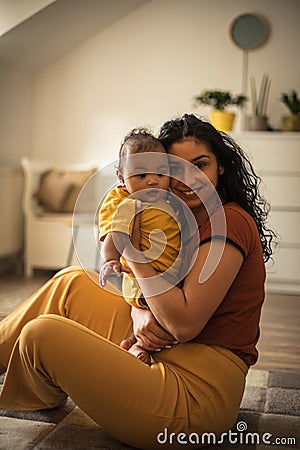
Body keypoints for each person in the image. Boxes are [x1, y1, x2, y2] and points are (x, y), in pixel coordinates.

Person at [0, 113, 276, 450]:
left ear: (221, 167)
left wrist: (131, 249)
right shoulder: (180, 217)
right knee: (70, 282)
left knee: (41, 333)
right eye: (173, 169)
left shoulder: (230, 221)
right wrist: (139, 312)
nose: (187, 179)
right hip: (170, 350)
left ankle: (39, 386)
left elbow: (184, 323)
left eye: (200, 164)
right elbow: (155, 294)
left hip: (195, 397)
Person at [99, 128, 182, 364]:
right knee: (162, 319)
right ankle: (137, 347)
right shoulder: (130, 204)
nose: (152, 180)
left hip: (167, 274)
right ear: (121, 178)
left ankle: (131, 341)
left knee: (166, 315)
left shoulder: (168, 201)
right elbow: (114, 234)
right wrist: (111, 259)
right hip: (143, 283)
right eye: (141, 175)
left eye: (160, 173)